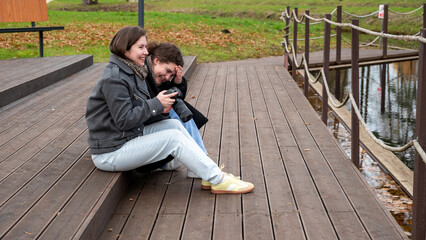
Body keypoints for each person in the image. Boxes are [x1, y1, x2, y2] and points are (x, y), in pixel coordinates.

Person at [85, 26, 254, 194]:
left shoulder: (131, 71)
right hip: (110, 151)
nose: (146, 52)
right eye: (141, 47)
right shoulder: (115, 79)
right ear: (125, 48)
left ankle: (206, 172)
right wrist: (156, 105)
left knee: (173, 124)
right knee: (173, 138)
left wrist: (160, 105)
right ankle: (219, 180)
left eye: (145, 46)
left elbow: (135, 111)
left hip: (125, 137)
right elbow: (124, 120)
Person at [143, 41, 207, 176]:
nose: (167, 77)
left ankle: (200, 161)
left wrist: (178, 82)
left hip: (150, 129)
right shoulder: (142, 75)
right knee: (175, 109)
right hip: (139, 133)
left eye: (171, 75)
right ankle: (202, 161)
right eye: (167, 71)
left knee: (178, 107)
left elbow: (175, 97)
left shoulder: (154, 74)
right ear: (156, 61)